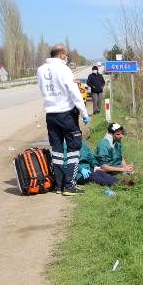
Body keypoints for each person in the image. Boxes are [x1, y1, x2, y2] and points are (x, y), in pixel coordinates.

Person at [36, 44, 90, 196]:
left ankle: (58, 185)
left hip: (51, 115)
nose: (67, 57)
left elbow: (43, 90)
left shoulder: (40, 70)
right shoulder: (64, 69)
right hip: (66, 114)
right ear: (61, 55)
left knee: (57, 151)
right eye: (66, 55)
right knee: (74, 148)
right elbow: (75, 93)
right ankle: (69, 185)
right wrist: (84, 112)